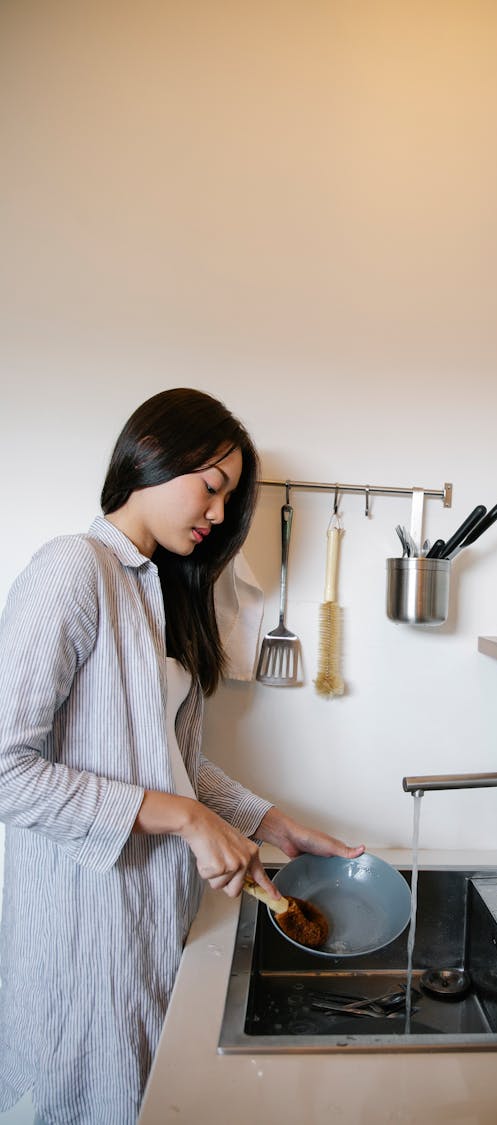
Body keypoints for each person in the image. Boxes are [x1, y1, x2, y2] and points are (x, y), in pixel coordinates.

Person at [0, 388, 364, 1125]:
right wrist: (185, 818)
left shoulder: (162, 591)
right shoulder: (74, 569)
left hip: (151, 921)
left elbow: (161, 756)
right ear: (155, 454)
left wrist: (271, 821)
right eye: (213, 487)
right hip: (82, 936)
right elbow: (6, 767)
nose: (220, 515)